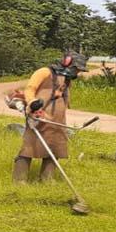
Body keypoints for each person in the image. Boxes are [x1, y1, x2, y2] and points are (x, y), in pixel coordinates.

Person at [13, 51, 87, 183]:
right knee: (29, 147)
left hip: (58, 119)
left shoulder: (67, 78)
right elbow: (30, 89)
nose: (77, 72)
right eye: (76, 68)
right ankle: (19, 180)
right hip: (39, 115)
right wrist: (32, 102)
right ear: (67, 62)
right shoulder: (44, 72)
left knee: (55, 148)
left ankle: (47, 179)